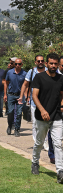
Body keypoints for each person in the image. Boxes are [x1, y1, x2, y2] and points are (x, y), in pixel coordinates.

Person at [30, 53, 63, 184]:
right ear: (47, 64)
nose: (53, 66)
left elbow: (61, 95)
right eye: (51, 63)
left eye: (56, 64)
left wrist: (61, 105)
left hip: (56, 116)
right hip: (41, 116)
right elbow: (34, 96)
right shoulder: (39, 77)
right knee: (39, 142)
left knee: (58, 144)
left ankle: (60, 171)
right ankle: (35, 162)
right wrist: (42, 110)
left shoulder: (61, 78)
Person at [19, 55, 54, 163]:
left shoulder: (49, 71)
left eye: (42, 61)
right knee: (35, 124)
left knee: (48, 124)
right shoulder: (32, 72)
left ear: (45, 62)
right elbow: (25, 84)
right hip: (35, 103)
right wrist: (21, 96)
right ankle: (37, 142)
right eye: (38, 61)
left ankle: (46, 143)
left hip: (47, 103)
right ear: (35, 62)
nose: (40, 62)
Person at [4, 58, 27, 137]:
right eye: (16, 64)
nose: (17, 65)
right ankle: (10, 126)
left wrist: (26, 95)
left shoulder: (24, 73)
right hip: (11, 95)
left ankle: (17, 129)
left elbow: (26, 85)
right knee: (10, 112)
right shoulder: (9, 72)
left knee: (19, 113)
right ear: (14, 64)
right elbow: (6, 83)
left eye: (19, 64)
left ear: (22, 64)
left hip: (20, 96)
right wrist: (5, 94)